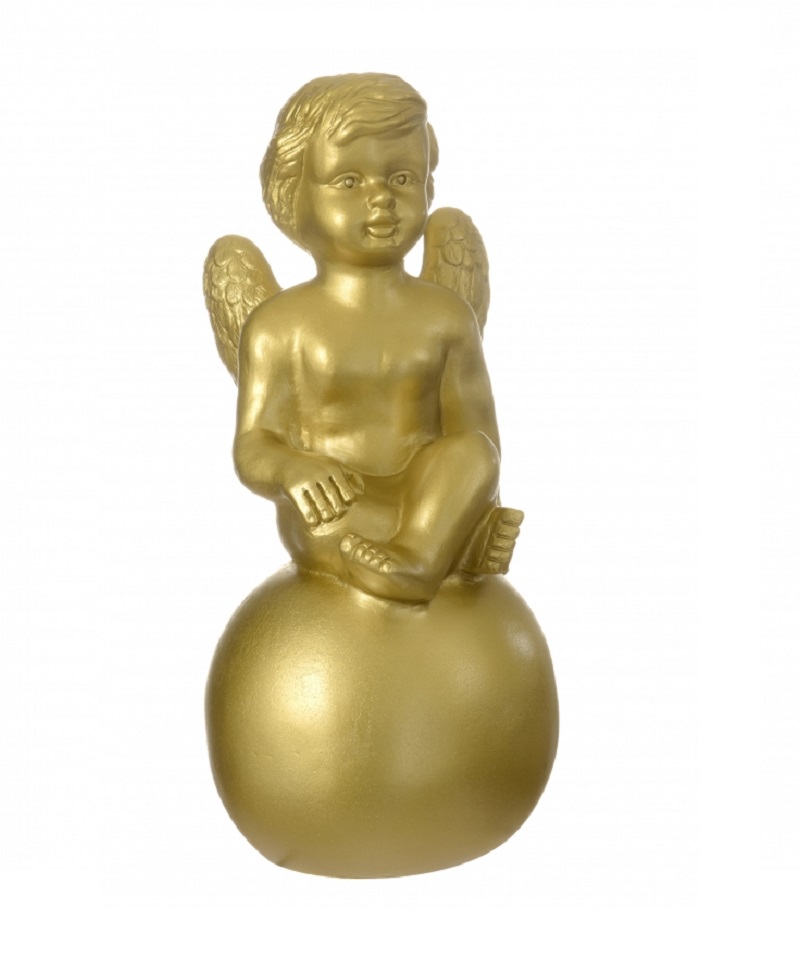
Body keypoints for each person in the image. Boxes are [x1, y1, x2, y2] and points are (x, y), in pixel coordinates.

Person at [233, 74, 520, 603]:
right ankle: (437, 551)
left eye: (403, 178)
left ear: (428, 188)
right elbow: (253, 445)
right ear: (294, 194)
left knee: (471, 454)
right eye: (349, 182)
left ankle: (422, 559)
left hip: (431, 507)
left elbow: (478, 436)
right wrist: (293, 467)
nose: (382, 198)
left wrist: (483, 506)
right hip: (341, 509)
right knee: (330, 515)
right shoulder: (280, 325)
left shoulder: (446, 317)